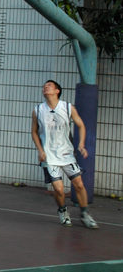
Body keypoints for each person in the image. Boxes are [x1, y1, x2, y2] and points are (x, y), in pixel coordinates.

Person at [31, 80, 98, 229]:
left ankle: (85, 214)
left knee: (79, 184)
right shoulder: (38, 110)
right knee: (59, 189)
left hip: (66, 154)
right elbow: (34, 132)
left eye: (49, 86)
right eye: (44, 86)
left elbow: (81, 125)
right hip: (49, 156)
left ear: (57, 91)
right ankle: (62, 210)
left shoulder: (67, 107)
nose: (45, 87)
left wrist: (81, 144)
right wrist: (40, 150)